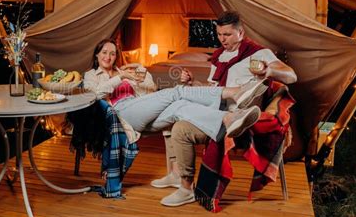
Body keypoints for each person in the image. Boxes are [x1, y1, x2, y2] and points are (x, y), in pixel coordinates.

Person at [151, 10, 297, 207]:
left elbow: (291, 76)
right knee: (173, 114)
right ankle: (176, 174)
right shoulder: (219, 57)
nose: (222, 39)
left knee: (181, 129)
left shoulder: (258, 53)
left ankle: (186, 189)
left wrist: (268, 70)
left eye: (227, 34)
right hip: (216, 110)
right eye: (219, 34)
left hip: (242, 118)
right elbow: (213, 92)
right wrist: (193, 83)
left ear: (240, 33)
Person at [83, 38, 269, 144]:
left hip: (140, 112)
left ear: (116, 56)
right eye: (105, 52)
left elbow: (152, 91)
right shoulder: (91, 75)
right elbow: (95, 95)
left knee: (180, 106)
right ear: (97, 54)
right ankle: (234, 92)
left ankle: (227, 120)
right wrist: (121, 78)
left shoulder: (127, 70)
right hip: (120, 114)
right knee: (176, 92)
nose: (108, 56)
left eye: (113, 53)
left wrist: (141, 72)